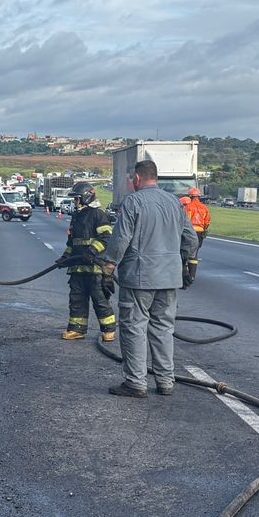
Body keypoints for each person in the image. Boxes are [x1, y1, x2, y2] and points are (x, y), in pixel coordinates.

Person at [100, 160, 199, 398]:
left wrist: (109, 266)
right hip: (170, 276)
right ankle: (165, 381)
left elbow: (121, 238)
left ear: (137, 179)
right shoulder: (175, 203)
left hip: (140, 277)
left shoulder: (133, 201)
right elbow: (191, 239)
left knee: (134, 327)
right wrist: (186, 264)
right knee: (163, 328)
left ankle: (135, 382)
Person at [56, 181, 117, 343]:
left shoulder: (98, 214)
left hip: (96, 267)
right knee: (77, 299)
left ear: (86, 197)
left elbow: (106, 237)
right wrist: (65, 258)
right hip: (78, 267)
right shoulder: (77, 216)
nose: (74, 202)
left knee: (99, 299)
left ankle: (109, 330)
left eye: (76, 199)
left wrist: (92, 251)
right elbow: (72, 242)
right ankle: (77, 329)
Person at [180, 188, 212, 254]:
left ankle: (184, 262)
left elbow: (185, 220)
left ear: (190, 196)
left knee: (184, 248)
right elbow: (207, 221)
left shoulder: (188, 207)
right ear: (199, 196)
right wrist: (205, 230)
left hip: (189, 231)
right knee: (196, 251)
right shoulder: (205, 208)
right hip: (200, 231)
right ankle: (193, 261)